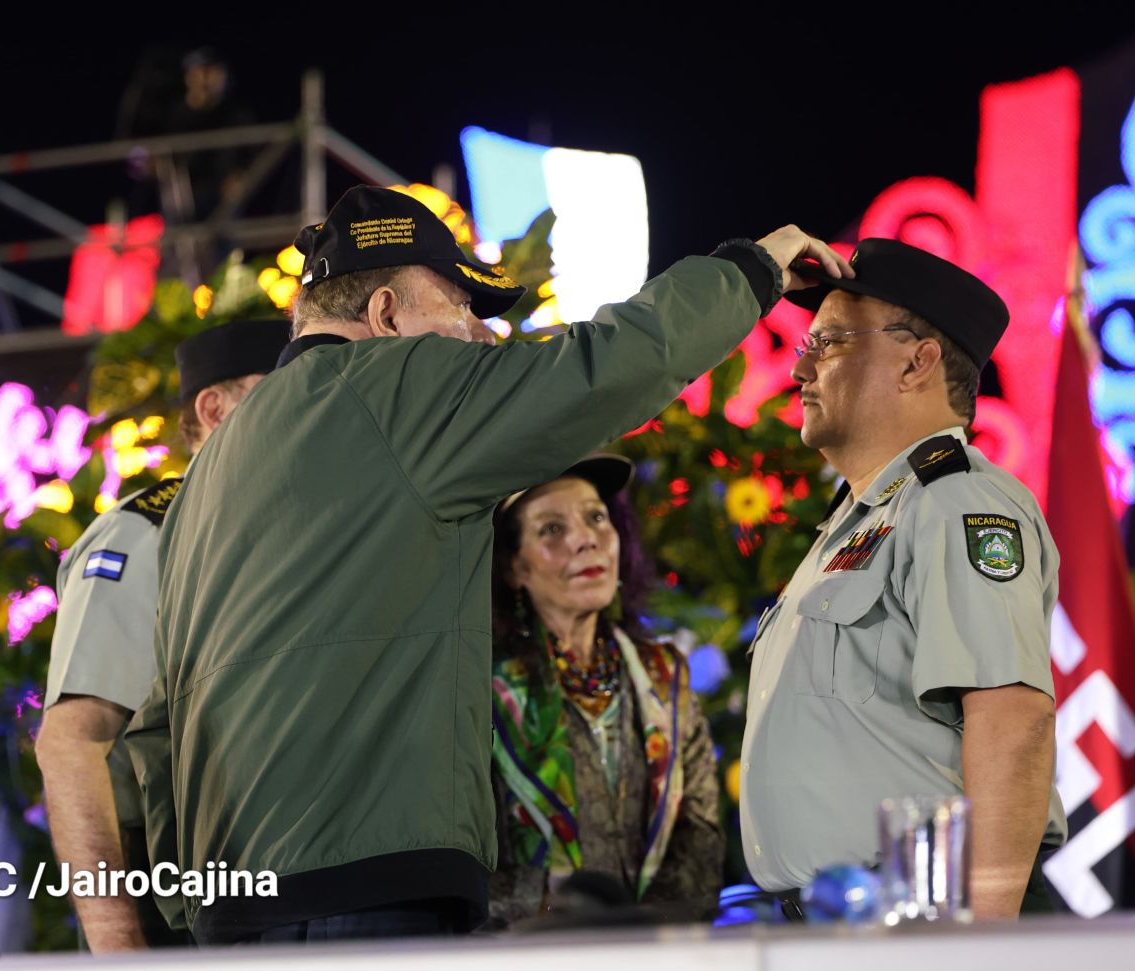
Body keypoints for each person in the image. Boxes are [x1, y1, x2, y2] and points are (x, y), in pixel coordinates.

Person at [126, 184, 851, 945]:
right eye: (461, 308)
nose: (480, 336)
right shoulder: (392, 388)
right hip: (366, 887)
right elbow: (606, 366)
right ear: (386, 315)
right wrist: (751, 269)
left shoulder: (205, 476)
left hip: (233, 904)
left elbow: (155, 723)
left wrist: (186, 904)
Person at [736, 238, 1065, 920]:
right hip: (851, 920)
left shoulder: (955, 501)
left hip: (929, 917)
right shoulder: (859, 522)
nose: (800, 367)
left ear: (918, 363)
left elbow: (1012, 718)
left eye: (829, 342)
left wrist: (980, 943)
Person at [35, 318, 289, 951]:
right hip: (169, 909)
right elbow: (73, 743)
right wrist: (116, 940)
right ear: (214, 408)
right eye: (284, 390)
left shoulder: (287, 532)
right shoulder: (148, 532)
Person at [487, 455, 722, 927]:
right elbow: (469, 862)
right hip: (532, 949)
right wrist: (567, 914)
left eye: (596, 517)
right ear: (514, 568)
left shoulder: (663, 675)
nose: (585, 539)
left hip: (653, 948)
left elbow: (700, 832)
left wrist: (644, 929)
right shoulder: (485, 693)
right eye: (552, 529)